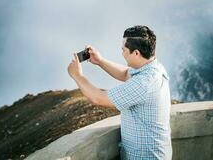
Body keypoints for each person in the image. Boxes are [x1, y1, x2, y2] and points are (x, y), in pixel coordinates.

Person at [67, 25, 172, 159]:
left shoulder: (145, 83)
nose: (121, 53)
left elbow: (99, 99)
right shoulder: (153, 67)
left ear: (136, 53)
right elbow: (125, 74)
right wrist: (100, 61)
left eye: (124, 50)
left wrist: (77, 76)